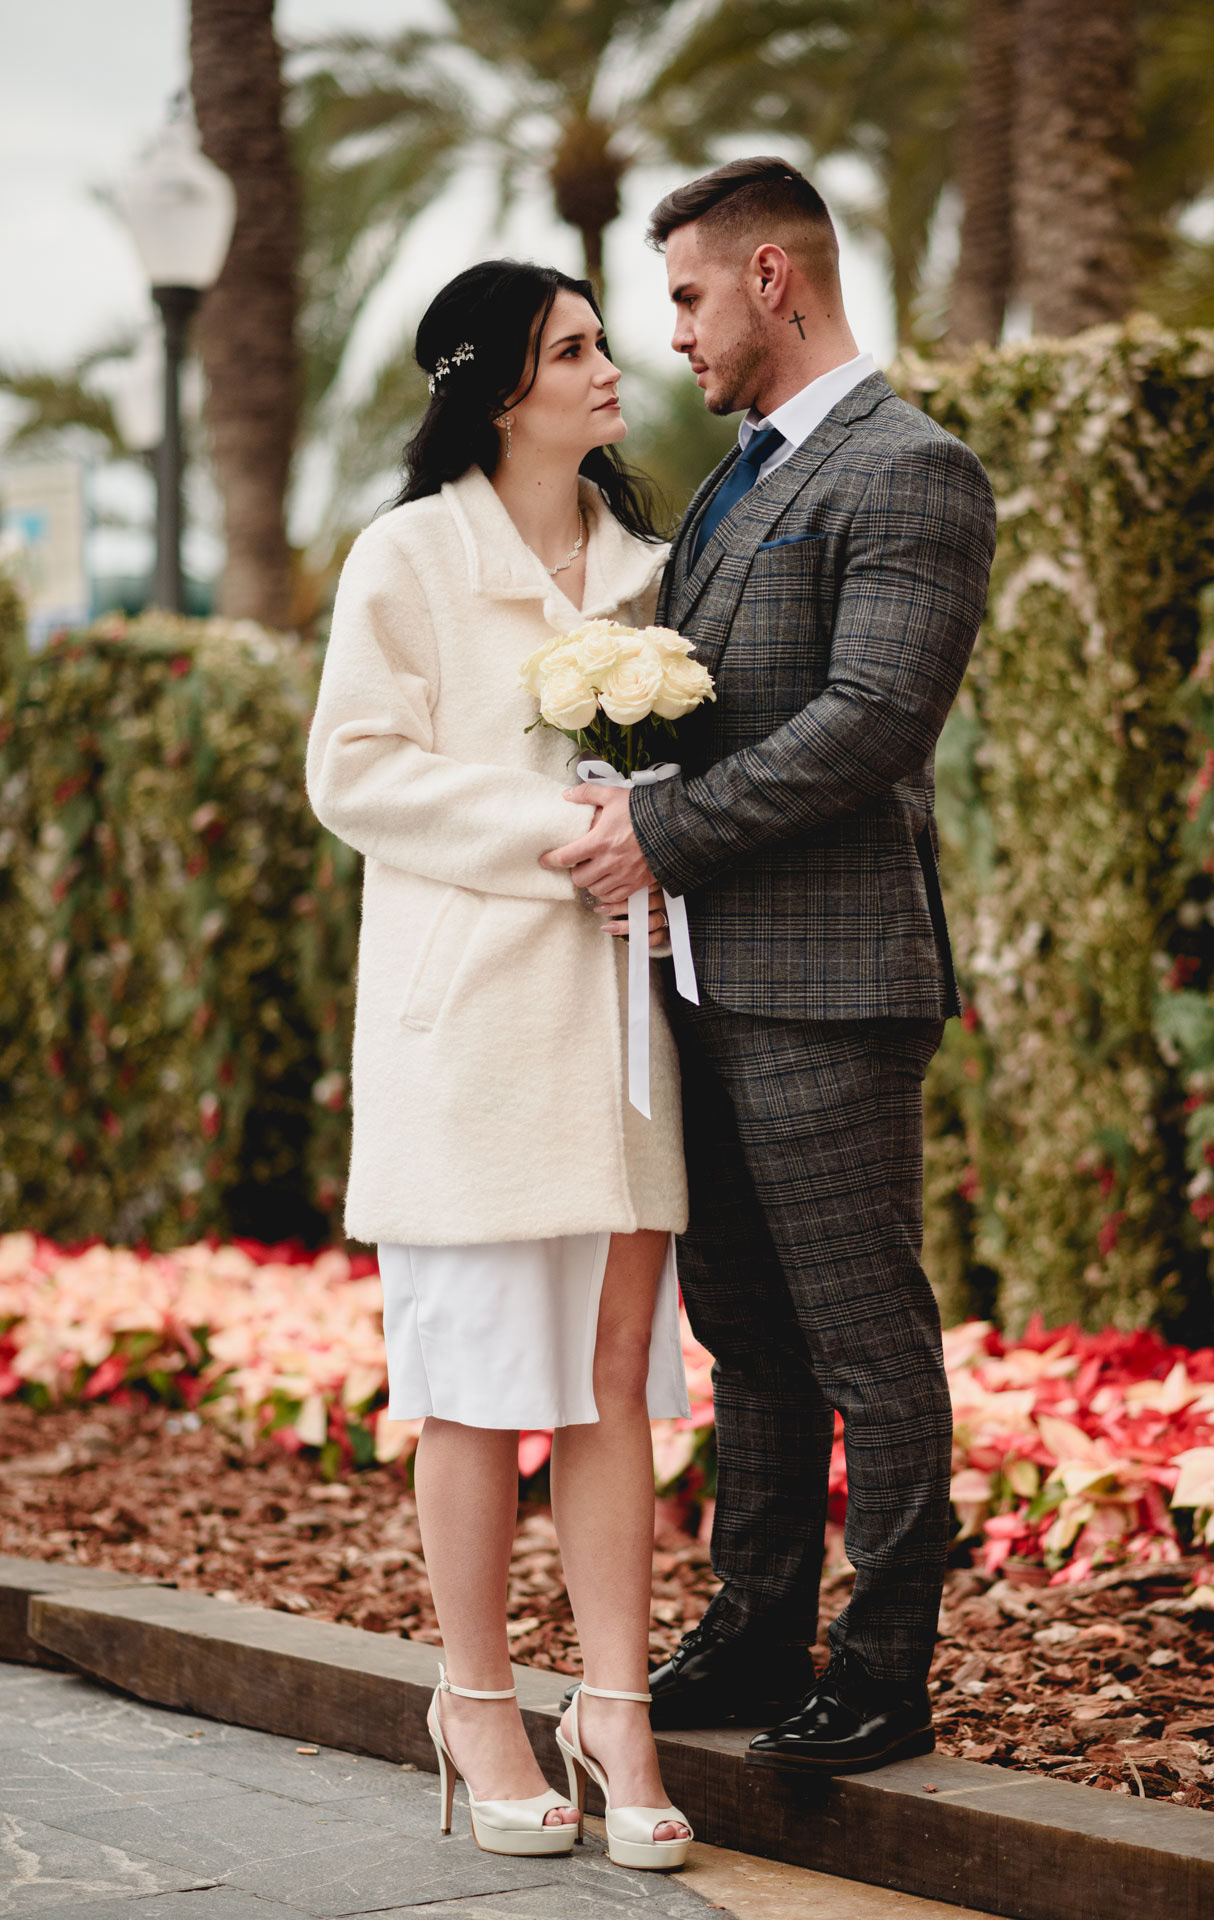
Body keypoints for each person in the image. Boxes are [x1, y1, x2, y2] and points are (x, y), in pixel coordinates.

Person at [543, 158, 997, 1774]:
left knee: (868, 1338)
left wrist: (663, 834)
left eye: (681, 296)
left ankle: (881, 1670)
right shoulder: (741, 471)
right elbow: (713, 699)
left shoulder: (910, 470)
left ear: (771, 283)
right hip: (700, 973)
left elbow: (871, 724)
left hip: (830, 982)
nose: (668, 334)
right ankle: (750, 1636)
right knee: (744, 1330)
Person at [306, 260, 692, 1868]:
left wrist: (660, 830)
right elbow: (354, 770)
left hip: (621, 1043)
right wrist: (568, 829)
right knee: (470, 1394)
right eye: (576, 348)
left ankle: (615, 1711)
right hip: (464, 1039)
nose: (613, 369)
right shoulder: (407, 556)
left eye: (606, 340)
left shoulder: (655, 572)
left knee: (615, 1390)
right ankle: (474, 1700)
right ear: (499, 386)